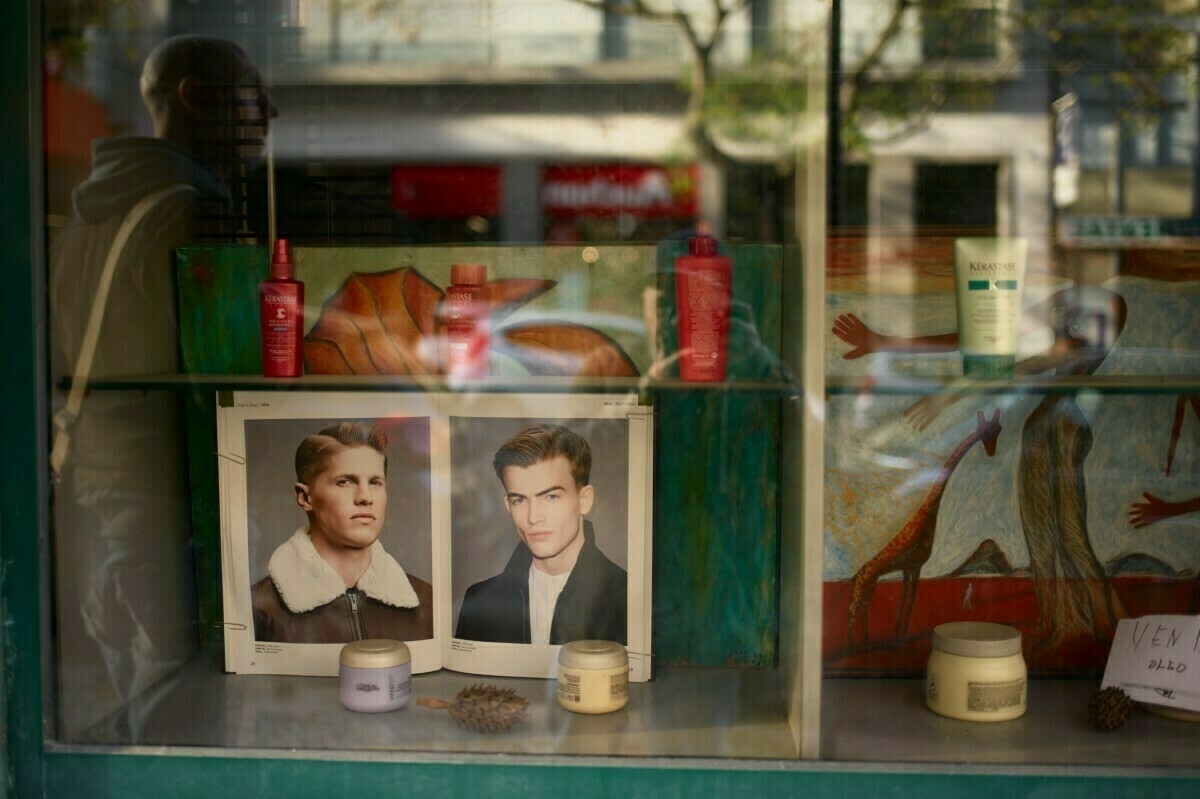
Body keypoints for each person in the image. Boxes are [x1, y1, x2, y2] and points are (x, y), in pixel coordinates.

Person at [48, 35, 275, 726]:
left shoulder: (87, 220)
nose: (268, 113)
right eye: (250, 96)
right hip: (167, 518)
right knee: (181, 724)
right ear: (194, 98)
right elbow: (234, 377)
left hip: (90, 504)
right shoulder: (193, 211)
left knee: (137, 713)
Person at [252, 422, 434, 643]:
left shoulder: (424, 599)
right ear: (305, 498)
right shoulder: (259, 606)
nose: (365, 497)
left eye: (375, 482)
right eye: (345, 481)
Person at [455, 424, 627, 644]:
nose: (533, 517)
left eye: (551, 497)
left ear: (584, 500)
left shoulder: (627, 597)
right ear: (508, 506)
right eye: (520, 500)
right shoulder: (479, 601)